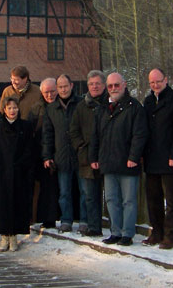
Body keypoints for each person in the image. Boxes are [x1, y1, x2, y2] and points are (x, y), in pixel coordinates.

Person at [89, 72, 148, 246]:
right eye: (110, 86)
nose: (113, 89)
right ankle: (115, 232)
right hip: (107, 161)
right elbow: (95, 135)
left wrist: (134, 157)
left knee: (128, 200)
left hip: (127, 162)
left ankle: (127, 233)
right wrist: (93, 157)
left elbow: (140, 134)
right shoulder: (102, 109)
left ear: (124, 85)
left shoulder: (134, 107)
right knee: (111, 200)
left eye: (116, 85)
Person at [142, 68, 173, 249]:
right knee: (153, 199)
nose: (155, 85)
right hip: (152, 158)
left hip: (170, 159)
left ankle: (170, 236)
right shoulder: (148, 102)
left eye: (158, 81)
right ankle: (157, 232)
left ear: (166, 80)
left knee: (171, 201)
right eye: (152, 82)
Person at [0, 96, 33, 252]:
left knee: (18, 203)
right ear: (4, 109)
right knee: (2, 204)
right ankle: (4, 236)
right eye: (9, 108)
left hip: (19, 171)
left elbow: (29, 148)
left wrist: (22, 164)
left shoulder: (25, 126)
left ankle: (14, 235)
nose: (12, 111)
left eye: (15, 107)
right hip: (1, 171)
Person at [42, 74, 85, 233]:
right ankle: (66, 220)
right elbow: (47, 135)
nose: (63, 89)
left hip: (80, 156)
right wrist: (47, 156)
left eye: (65, 86)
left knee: (84, 191)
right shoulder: (51, 109)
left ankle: (84, 220)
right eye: (60, 87)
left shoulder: (81, 104)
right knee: (64, 192)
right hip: (61, 156)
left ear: (72, 86)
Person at [69, 70, 107, 236]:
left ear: (104, 85)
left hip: (108, 155)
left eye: (97, 83)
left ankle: (116, 229)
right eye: (91, 84)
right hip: (86, 157)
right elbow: (74, 131)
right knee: (90, 195)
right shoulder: (82, 106)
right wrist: (81, 148)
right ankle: (94, 227)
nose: (94, 86)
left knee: (113, 196)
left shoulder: (109, 104)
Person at [27, 77, 60, 229]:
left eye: (53, 91)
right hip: (42, 154)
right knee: (47, 189)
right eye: (46, 92)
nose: (50, 95)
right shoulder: (35, 109)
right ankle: (47, 218)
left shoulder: (62, 105)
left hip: (61, 152)